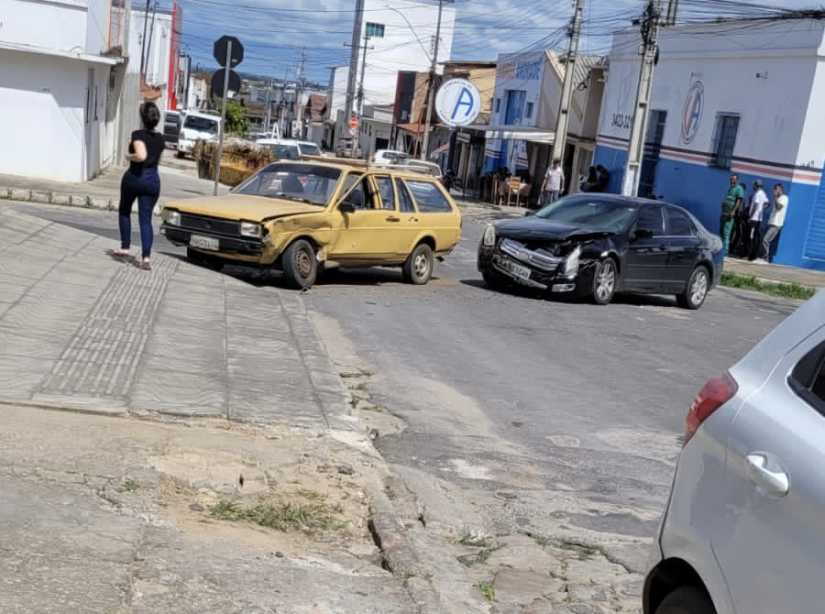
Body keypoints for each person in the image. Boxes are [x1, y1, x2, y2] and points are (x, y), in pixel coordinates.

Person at [112, 102, 164, 270]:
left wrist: (129, 156)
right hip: (152, 180)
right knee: (146, 220)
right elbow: (154, 159)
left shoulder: (138, 134)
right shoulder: (161, 139)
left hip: (135, 177)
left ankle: (125, 247)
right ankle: (146, 258)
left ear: (142, 117)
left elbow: (141, 155)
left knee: (125, 210)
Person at [757, 183, 789, 263]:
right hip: (772, 223)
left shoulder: (784, 198)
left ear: (781, 190)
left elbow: (778, 207)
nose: (775, 191)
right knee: (765, 240)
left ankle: (765, 258)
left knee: (766, 240)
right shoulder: (778, 198)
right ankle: (763, 257)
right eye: (774, 189)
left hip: (776, 224)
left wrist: (775, 197)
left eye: (776, 189)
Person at [719, 174, 744, 255]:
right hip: (724, 213)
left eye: (733, 179)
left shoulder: (739, 188)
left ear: (737, 180)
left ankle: (725, 252)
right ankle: (721, 250)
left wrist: (733, 211)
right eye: (731, 179)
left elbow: (738, 201)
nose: (731, 180)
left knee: (726, 233)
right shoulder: (731, 188)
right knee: (721, 232)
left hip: (729, 215)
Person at [746, 180, 769, 260]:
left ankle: (750, 255)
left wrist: (750, 216)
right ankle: (753, 255)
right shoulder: (763, 193)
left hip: (754, 219)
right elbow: (767, 203)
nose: (753, 187)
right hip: (759, 219)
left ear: (756, 185)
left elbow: (755, 205)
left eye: (754, 185)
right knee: (755, 237)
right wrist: (761, 209)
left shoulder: (758, 194)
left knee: (751, 237)